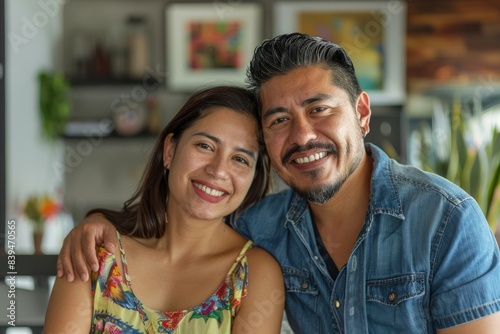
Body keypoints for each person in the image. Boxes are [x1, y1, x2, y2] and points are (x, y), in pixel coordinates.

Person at [57, 33, 500, 333]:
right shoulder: (259, 228)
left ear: (362, 114)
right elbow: (190, 216)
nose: (303, 135)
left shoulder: (445, 220)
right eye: (280, 119)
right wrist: (97, 222)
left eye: (320, 109)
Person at [45, 86, 285, 333]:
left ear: (253, 178)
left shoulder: (255, 274)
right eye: (205, 146)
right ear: (170, 150)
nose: (218, 170)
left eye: (240, 159)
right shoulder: (96, 253)